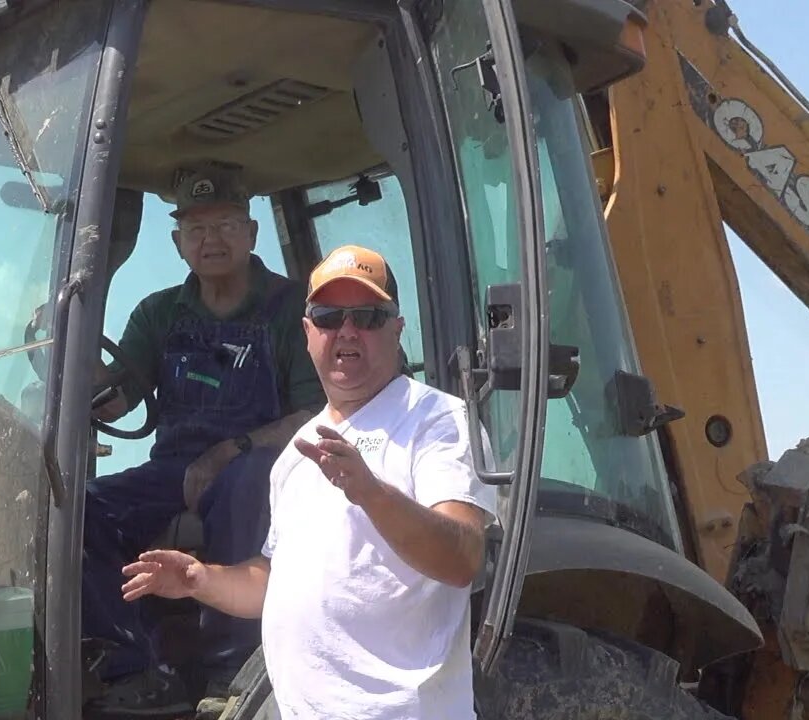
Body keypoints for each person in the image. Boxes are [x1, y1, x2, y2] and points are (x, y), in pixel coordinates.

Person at [118, 245, 499, 719]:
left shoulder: (438, 420)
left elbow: (462, 557)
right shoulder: (296, 453)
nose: (346, 330)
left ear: (398, 329)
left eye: (368, 316)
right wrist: (199, 579)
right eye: (328, 315)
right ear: (306, 331)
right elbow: (272, 579)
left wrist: (371, 493)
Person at [81, 161, 324, 717]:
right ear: (177, 242)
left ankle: (229, 668)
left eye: (225, 226)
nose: (210, 240)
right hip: (173, 471)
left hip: (263, 465)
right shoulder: (159, 313)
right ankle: (135, 666)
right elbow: (114, 400)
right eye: (196, 229)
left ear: (251, 232)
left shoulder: (292, 310)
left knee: (245, 482)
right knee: (85, 508)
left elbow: (314, 412)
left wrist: (229, 451)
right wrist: (68, 337)